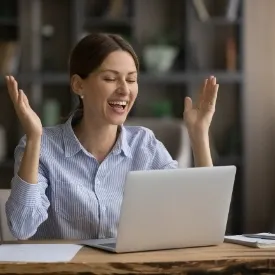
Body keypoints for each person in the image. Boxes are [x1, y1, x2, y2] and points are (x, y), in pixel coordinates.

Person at [5, 33, 219, 240]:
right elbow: (22, 228)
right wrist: (34, 138)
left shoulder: (145, 146)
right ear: (79, 85)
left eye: (131, 79)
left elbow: (199, 216)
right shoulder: (41, 149)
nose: (124, 90)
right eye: (110, 78)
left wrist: (199, 135)